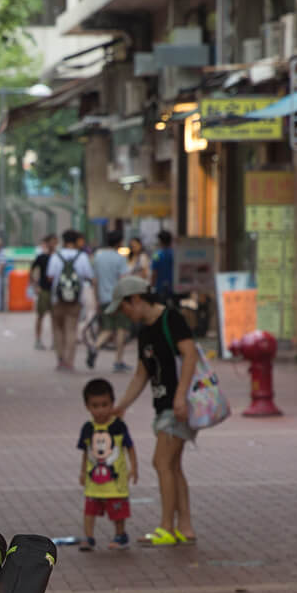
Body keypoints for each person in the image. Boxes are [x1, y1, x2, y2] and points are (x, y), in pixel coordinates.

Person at [104, 274, 201, 546]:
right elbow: (141, 375)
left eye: (124, 307)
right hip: (164, 405)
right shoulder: (145, 331)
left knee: (161, 463)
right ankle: (185, 527)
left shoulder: (171, 320)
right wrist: (122, 405)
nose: (125, 314)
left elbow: (190, 354)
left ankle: (166, 527)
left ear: (135, 300)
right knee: (173, 465)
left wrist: (180, 397)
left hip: (178, 405)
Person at [77, 377, 136, 550]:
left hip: (116, 480)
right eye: (95, 406)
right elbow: (86, 452)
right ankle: (88, 537)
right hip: (93, 479)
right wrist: (82, 472)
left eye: (105, 404)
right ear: (87, 406)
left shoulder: (118, 426)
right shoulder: (87, 428)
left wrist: (134, 468)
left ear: (112, 403)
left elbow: (130, 447)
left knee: (117, 509)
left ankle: (120, 535)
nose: (100, 410)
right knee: (89, 509)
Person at [46, 230, 94, 372]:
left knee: (57, 329)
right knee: (71, 329)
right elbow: (89, 276)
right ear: (76, 241)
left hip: (57, 298)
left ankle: (60, 359)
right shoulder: (83, 257)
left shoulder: (56, 256)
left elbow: (49, 277)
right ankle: (69, 361)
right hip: (75, 299)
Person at [88, 233, 132, 372]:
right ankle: (118, 361)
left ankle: (95, 347)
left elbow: (94, 281)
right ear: (119, 242)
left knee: (107, 328)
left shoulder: (98, 257)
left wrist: (96, 299)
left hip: (104, 298)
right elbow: (124, 279)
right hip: (119, 298)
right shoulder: (120, 258)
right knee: (121, 329)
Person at [28, 234, 58, 350]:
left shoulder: (59, 257)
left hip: (55, 291)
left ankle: (56, 341)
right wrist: (35, 286)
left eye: (55, 242)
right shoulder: (41, 257)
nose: (54, 244)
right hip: (44, 290)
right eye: (52, 242)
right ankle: (38, 339)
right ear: (47, 243)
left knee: (55, 317)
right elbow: (32, 270)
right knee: (40, 316)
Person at [152, 230, 177, 299]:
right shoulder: (175, 254)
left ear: (160, 241)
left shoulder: (156, 255)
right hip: (175, 288)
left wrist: (152, 285)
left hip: (160, 288)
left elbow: (154, 273)